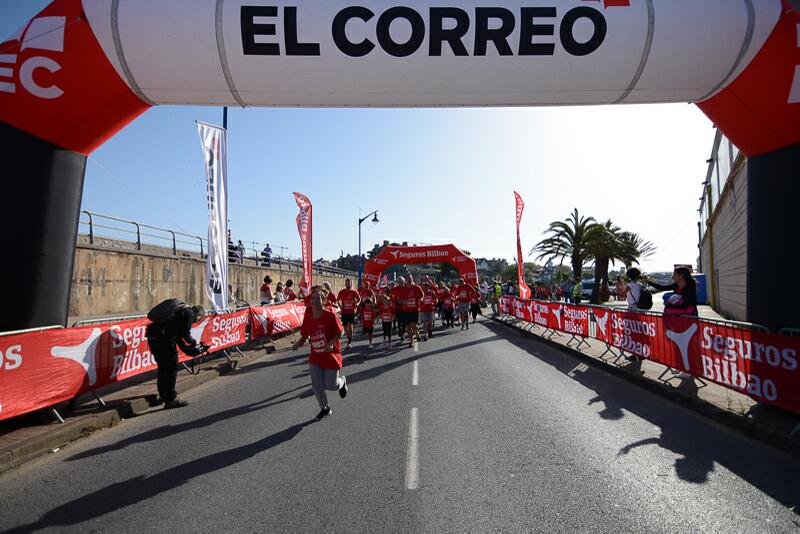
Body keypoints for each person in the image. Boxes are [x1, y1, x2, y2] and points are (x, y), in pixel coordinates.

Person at [292, 287, 348, 420]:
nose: (315, 301)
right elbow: (305, 335)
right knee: (316, 385)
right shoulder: (308, 318)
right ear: (310, 301)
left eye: (318, 299)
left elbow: (341, 332)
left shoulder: (330, 315)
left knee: (331, 385)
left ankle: (342, 382)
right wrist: (298, 344)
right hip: (316, 356)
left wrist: (330, 344)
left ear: (323, 301)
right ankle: (324, 408)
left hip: (331, 355)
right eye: (313, 299)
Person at [145, 301, 209, 409]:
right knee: (171, 368)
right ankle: (170, 399)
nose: (196, 322)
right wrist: (194, 343)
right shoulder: (188, 313)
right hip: (163, 339)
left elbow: (178, 337)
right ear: (198, 314)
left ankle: (163, 395)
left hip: (154, 337)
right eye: (199, 319)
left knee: (163, 367)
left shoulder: (178, 313)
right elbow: (185, 334)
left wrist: (189, 350)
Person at [337, 279, 361, 349]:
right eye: (346, 283)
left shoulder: (354, 292)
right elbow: (338, 300)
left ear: (351, 284)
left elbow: (359, 299)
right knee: (345, 328)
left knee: (349, 326)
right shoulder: (341, 292)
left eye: (349, 283)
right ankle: (349, 334)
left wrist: (357, 303)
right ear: (345, 284)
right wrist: (340, 306)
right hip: (344, 312)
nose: (348, 285)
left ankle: (349, 342)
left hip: (351, 312)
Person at [402, 275, 425, 347]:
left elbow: (422, 294)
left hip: (415, 310)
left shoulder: (417, 287)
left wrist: (420, 298)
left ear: (412, 279)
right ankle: (412, 341)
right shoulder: (404, 289)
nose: (409, 280)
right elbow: (399, 299)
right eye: (408, 279)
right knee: (408, 327)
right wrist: (403, 301)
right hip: (406, 310)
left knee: (413, 325)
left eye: (410, 279)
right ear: (405, 280)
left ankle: (417, 333)